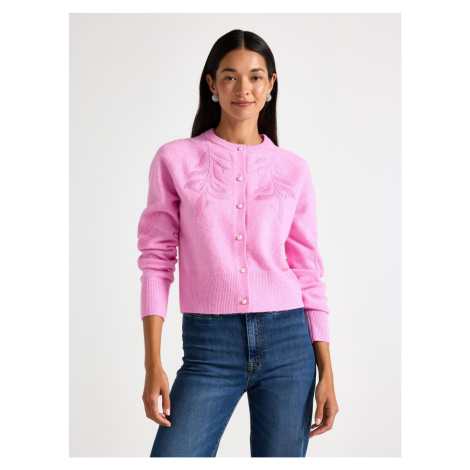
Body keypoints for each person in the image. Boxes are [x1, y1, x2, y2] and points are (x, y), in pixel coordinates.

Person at [137, 29, 339, 458]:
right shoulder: (175, 159)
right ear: (212, 83)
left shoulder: (294, 170)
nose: (243, 88)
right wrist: (152, 362)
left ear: (271, 84)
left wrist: (327, 371)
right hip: (209, 346)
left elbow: (307, 271)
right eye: (230, 77)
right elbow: (156, 259)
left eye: (255, 77)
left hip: (290, 345)